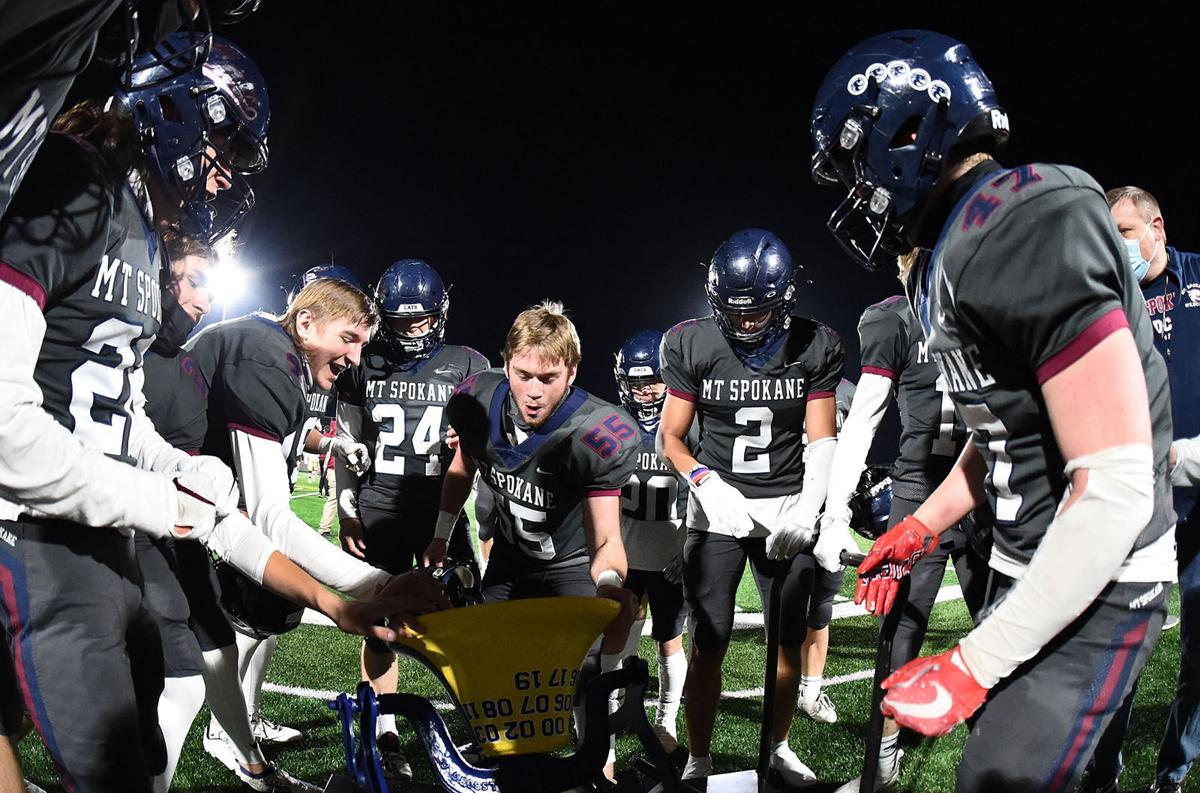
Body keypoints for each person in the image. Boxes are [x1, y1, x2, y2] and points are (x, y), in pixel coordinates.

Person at [811, 30, 1176, 792]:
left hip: (1099, 574)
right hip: (1032, 557)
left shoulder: (1023, 219)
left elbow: (1115, 486)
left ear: (905, 136)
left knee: (996, 776)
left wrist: (972, 662)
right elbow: (1005, 423)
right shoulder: (948, 246)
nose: (852, 190)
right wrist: (923, 523)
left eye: (852, 163)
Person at [0, 30, 274, 793]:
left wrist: (175, 466)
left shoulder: (140, 227)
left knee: (142, 757)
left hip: (96, 530)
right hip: (34, 528)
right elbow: (5, 426)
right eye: (225, 148)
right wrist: (158, 500)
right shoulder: (67, 175)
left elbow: (112, 405)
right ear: (179, 111)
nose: (225, 177)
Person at [657, 228, 844, 786]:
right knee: (709, 639)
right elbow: (671, 438)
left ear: (784, 298)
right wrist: (704, 481)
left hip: (787, 507)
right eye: (734, 313)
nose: (744, 325)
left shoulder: (815, 344)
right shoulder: (691, 343)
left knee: (786, 640)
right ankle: (699, 756)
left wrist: (808, 511)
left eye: (756, 312)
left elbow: (823, 440)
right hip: (717, 509)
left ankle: (779, 748)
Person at [813, 293, 989, 787]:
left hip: (972, 490)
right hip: (935, 490)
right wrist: (835, 510)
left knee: (994, 628)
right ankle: (884, 758)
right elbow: (863, 418)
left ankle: (999, 753)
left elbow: (863, 422)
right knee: (902, 635)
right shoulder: (905, 317)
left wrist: (836, 510)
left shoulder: (910, 313)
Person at [335, 258, 488, 783]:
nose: (413, 330)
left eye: (421, 319)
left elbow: (484, 447)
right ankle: (386, 733)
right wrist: (347, 511)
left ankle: (481, 725)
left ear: (440, 312)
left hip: (440, 507)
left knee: (463, 621)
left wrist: (472, 438)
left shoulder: (468, 364)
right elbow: (347, 444)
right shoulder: (362, 362)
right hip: (380, 508)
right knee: (382, 627)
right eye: (402, 321)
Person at [1083, 188, 1200, 793]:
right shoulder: (1102, 297)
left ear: (1157, 226)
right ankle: (1101, 771)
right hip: (1136, 503)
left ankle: (1172, 773)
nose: (1117, 246)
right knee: (1118, 649)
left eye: (1125, 232)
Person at [611, 329, 691, 753]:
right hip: (624, 552)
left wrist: (689, 546)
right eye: (635, 382)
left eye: (652, 382)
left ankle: (666, 719)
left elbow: (704, 490)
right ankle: (616, 702)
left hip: (669, 554)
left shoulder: (686, 424)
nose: (643, 391)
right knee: (619, 631)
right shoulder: (613, 425)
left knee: (668, 638)